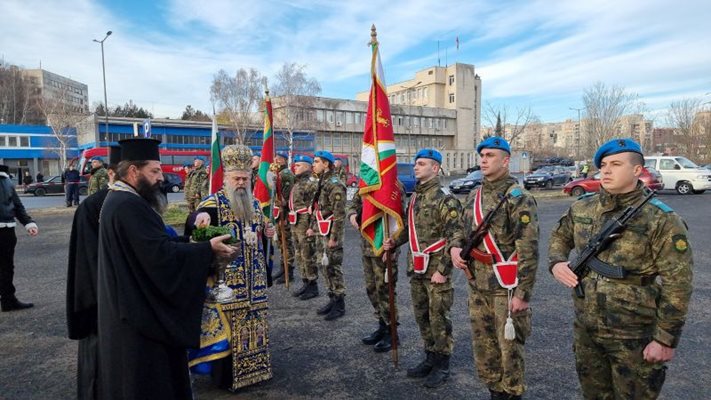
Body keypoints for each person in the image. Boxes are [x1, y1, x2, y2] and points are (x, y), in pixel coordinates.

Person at [548, 138, 693, 400]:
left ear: (637, 170)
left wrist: (665, 339)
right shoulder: (583, 206)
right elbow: (559, 237)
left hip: (634, 333)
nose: (606, 170)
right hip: (587, 328)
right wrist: (557, 263)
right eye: (603, 165)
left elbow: (678, 283)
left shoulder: (662, 219)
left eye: (616, 164)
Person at [96, 138, 236, 400]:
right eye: (155, 171)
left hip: (128, 307)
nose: (162, 177)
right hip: (138, 318)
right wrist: (207, 250)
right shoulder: (128, 206)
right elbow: (159, 257)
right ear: (134, 171)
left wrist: (192, 243)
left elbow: (156, 245)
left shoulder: (124, 201)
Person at [450, 136, 539, 400]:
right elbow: (460, 230)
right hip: (477, 284)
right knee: (484, 348)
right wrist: (455, 247)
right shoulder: (474, 195)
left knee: (509, 349)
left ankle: (511, 394)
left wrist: (523, 293)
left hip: (506, 287)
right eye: (482, 155)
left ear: (506, 160)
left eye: (490, 155)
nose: (484, 160)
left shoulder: (519, 198)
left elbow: (529, 248)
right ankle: (494, 392)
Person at [190, 144, 274, 391]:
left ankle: (256, 372)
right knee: (226, 332)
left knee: (254, 326)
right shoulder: (212, 202)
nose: (240, 183)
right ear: (226, 178)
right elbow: (196, 223)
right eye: (236, 178)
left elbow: (262, 230)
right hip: (225, 282)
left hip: (253, 282)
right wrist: (199, 222)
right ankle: (225, 378)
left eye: (245, 178)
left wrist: (268, 231)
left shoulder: (256, 204)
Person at [383, 148, 462, 388]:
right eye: (416, 164)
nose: (416, 167)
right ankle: (430, 357)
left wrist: (444, 270)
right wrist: (394, 241)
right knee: (422, 316)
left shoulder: (444, 198)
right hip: (416, 267)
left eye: (422, 164)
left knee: (439, 318)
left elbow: (456, 235)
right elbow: (409, 229)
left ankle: (443, 363)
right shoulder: (415, 197)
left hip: (435, 269)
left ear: (435, 168)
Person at [66, 146, 121, 399]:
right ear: (112, 174)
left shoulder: (133, 202)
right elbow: (91, 258)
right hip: (100, 298)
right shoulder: (94, 207)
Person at [347, 180, 406, 351]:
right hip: (367, 245)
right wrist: (352, 215)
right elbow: (354, 204)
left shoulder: (393, 184)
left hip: (385, 247)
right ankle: (382, 325)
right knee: (371, 289)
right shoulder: (367, 181)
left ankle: (392, 331)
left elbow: (400, 219)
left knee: (385, 290)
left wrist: (394, 245)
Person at [307, 150, 347, 320]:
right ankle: (332, 298)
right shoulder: (322, 181)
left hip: (331, 233)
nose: (313, 164)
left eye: (316, 161)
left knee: (333, 267)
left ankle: (339, 304)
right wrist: (312, 227)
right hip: (321, 230)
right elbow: (317, 208)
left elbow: (339, 214)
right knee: (324, 266)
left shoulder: (335, 183)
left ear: (326, 164)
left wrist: (334, 238)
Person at [0, 164, 39, 312]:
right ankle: (8, 300)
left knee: (6, 267)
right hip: (6, 230)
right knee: (6, 267)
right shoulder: (7, 180)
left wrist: (29, 222)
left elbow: (16, 205)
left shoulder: (6, 180)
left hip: (6, 230)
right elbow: (17, 206)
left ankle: (8, 299)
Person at [289, 155, 319, 299]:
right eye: (295, 165)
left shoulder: (311, 183)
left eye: (299, 165)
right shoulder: (298, 182)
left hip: (305, 221)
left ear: (307, 167)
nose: (295, 167)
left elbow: (316, 206)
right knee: (299, 253)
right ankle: (305, 281)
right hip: (296, 221)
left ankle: (313, 285)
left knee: (308, 253)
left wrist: (312, 226)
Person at [272, 152, 296, 285]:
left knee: (286, 242)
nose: (277, 160)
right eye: (276, 158)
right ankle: (283, 268)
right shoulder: (278, 173)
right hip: (278, 212)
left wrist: (285, 216)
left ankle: (289, 270)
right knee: (281, 242)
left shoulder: (285, 174)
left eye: (280, 159)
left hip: (284, 214)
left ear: (285, 161)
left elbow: (286, 198)